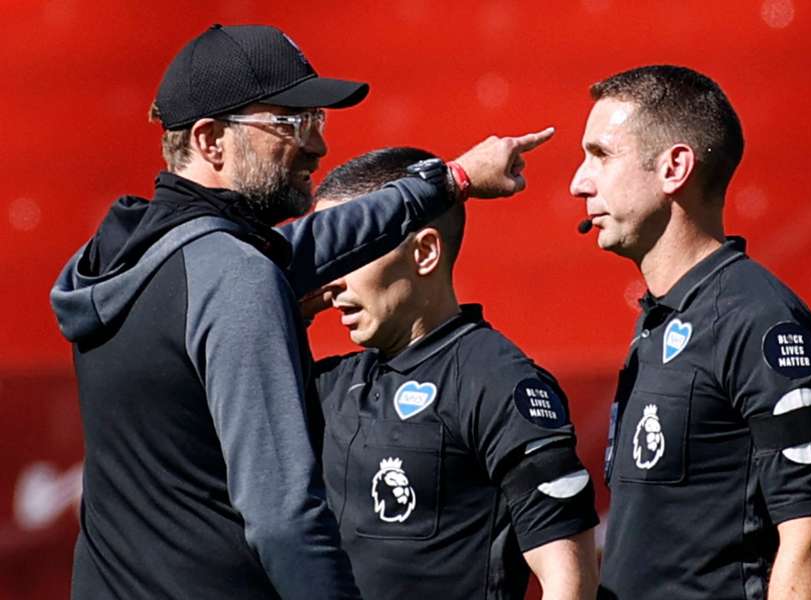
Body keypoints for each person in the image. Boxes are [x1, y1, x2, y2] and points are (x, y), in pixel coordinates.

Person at [49, 24, 552, 600]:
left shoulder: (122, 259)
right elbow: (284, 519)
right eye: (291, 124)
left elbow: (314, 242)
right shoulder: (233, 276)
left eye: (317, 122)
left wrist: (452, 179)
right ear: (212, 141)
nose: (317, 146)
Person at [568, 65, 811, 600]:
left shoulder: (757, 318)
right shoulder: (664, 315)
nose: (579, 182)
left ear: (675, 168)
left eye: (600, 155)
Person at [307, 147, 600, 600]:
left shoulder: (497, 381)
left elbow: (569, 578)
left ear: (424, 253)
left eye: (349, 252)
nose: (330, 280)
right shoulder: (330, 385)